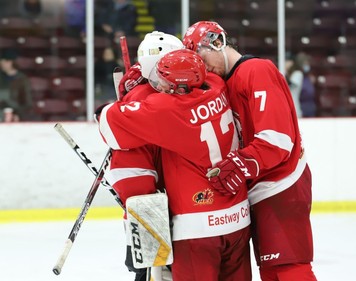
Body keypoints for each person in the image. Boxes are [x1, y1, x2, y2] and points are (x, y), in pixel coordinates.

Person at [97, 48, 252, 281]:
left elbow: (108, 123)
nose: (158, 85)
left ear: (180, 88)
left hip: (196, 228)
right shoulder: (217, 85)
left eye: (164, 81)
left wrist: (132, 92)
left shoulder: (167, 109)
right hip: (238, 221)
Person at [183, 21, 317, 281]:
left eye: (201, 56)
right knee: (271, 270)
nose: (202, 66)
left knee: (289, 268)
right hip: (262, 185)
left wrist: (240, 163)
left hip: (282, 183)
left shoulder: (256, 70)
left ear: (217, 42)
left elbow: (277, 139)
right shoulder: (225, 84)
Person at [99, 31, 184, 281]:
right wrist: (146, 228)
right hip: (158, 212)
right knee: (158, 273)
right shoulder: (143, 101)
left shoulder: (147, 98)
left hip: (167, 210)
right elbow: (132, 175)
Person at [0, 49, 32, 122]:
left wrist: (17, 114)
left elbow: (27, 103)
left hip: (17, 115)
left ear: (11, 62)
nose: (2, 64)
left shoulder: (22, 79)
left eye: (4, 61)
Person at [296, 52, 316, 118]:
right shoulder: (298, 76)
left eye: (307, 63)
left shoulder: (310, 77)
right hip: (301, 106)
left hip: (311, 106)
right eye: (305, 63)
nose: (307, 65)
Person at [285, 53, 303, 118]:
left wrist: (284, 72)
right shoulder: (283, 73)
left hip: (295, 108)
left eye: (287, 61)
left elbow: (291, 85)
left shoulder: (298, 73)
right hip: (284, 108)